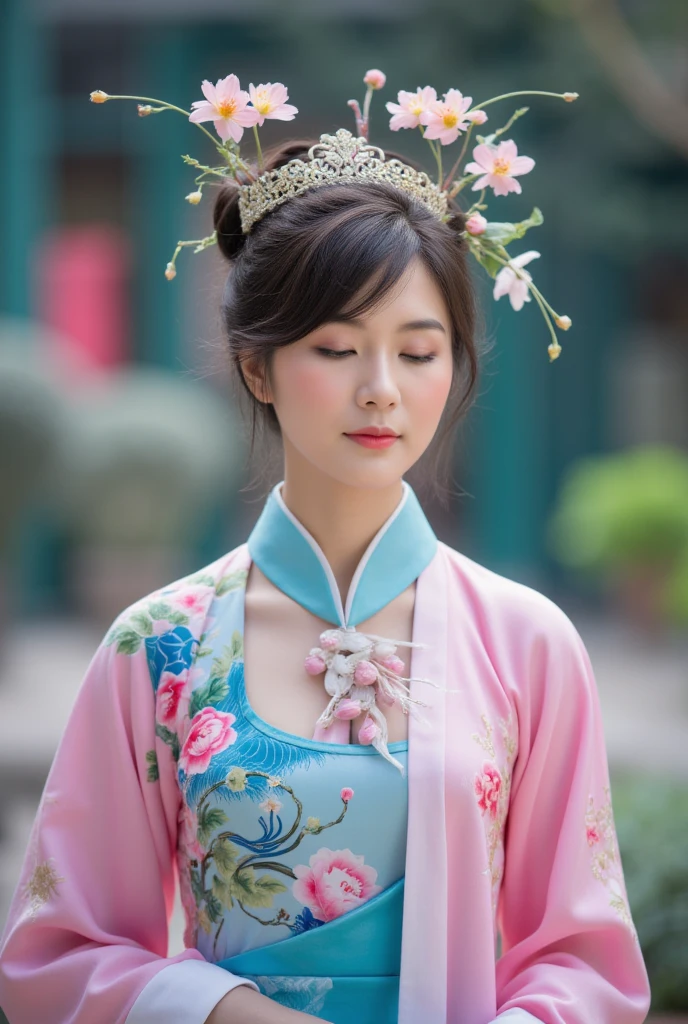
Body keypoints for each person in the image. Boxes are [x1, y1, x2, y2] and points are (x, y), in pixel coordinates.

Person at [0, 71, 651, 1024]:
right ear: (258, 368)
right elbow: (55, 955)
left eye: (419, 352)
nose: (381, 388)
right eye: (338, 350)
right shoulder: (158, 646)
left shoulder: (528, 642)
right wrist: (227, 1012)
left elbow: (585, 960)